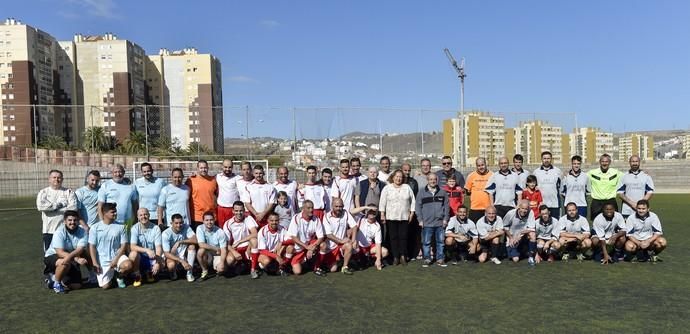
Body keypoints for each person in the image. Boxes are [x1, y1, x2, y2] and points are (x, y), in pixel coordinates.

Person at [88, 203, 134, 289]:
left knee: (128, 265)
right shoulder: (95, 228)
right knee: (105, 286)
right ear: (105, 213)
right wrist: (95, 263)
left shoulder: (121, 226)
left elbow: (123, 245)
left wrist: (115, 260)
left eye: (115, 211)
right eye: (112, 212)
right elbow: (92, 247)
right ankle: (113, 276)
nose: (115, 213)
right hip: (102, 260)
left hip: (117, 256)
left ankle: (120, 277)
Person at [43, 210, 88, 294]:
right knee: (65, 263)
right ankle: (56, 283)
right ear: (64, 221)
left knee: (77, 286)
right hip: (53, 256)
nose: (72, 222)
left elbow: (80, 249)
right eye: (70, 220)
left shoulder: (83, 232)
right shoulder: (59, 232)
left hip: (70, 257)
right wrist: (77, 259)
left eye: (75, 220)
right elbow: (60, 252)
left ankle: (54, 279)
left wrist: (75, 258)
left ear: (78, 221)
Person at [379, 169, 416, 265]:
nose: (398, 178)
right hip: (391, 217)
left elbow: (413, 201)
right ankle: (395, 257)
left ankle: (403, 256)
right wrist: (382, 214)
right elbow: (382, 202)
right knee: (393, 237)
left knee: (403, 237)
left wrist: (412, 213)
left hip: (404, 216)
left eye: (400, 177)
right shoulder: (387, 188)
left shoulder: (407, 187)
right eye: (397, 176)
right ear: (393, 177)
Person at [37, 169, 78, 250]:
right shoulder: (43, 192)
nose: (56, 179)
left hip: (64, 229)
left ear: (62, 179)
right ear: (49, 179)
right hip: (49, 230)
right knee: (49, 256)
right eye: (54, 177)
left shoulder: (68, 192)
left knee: (65, 253)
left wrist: (51, 209)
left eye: (59, 177)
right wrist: (59, 205)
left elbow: (73, 208)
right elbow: (41, 207)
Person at [416, 173, 449, 267]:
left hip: (440, 222)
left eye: (434, 179)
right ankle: (427, 259)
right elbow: (418, 207)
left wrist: (445, 219)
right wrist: (420, 220)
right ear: (427, 180)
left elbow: (446, 206)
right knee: (426, 242)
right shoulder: (422, 192)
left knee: (440, 242)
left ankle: (440, 259)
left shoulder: (442, 192)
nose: (433, 181)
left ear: (437, 180)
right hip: (427, 223)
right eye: (430, 179)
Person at [287, 200, 327, 276]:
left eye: (312, 208)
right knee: (297, 272)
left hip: (309, 245)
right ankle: (288, 264)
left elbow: (321, 237)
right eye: (308, 208)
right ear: (303, 209)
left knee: (323, 245)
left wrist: (313, 247)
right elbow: (293, 237)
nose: (311, 210)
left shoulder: (316, 219)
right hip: (298, 248)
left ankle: (317, 267)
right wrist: (307, 247)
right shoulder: (296, 218)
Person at [222, 201, 260, 279]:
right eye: (236, 211)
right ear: (233, 211)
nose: (239, 213)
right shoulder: (228, 223)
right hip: (236, 248)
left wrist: (240, 241)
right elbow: (226, 243)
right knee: (229, 260)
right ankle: (241, 264)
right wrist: (234, 252)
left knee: (254, 241)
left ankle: (253, 269)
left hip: (248, 246)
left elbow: (255, 233)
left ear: (244, 210)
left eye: (241, 211)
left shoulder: (248, 218)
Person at [322, 198, 358, 274]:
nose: (339, 208)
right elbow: (328, 235)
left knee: (349, 246)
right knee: (333, 269)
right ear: (332, 206)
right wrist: (340, 241)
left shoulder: (346, 213)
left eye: (340, 206)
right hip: (330, 248)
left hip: (342, 245)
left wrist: (353, 240)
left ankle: (344, 267)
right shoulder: (326, 216)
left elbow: (354, 226)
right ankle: (336, 261)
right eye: (336, 206)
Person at [128, 208, 162, 286]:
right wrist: (146, 250)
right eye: (141, 215)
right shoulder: (134, 228)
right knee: (133, 254)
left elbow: (158, 247)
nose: (143, 217)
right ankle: (137, 275)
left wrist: (157, 262)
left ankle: (148, 272)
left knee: (162, 264)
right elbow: (132, 246)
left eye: (145, 214)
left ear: (149, 215)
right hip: (140, 258)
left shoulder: (156, 228)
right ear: (137, 217)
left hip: (152, 257)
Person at [161, 213, 197, 282]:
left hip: (184, 253)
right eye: (176, 223)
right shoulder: (166, 233)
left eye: (180, 223)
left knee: (192, 247)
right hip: (172, 254)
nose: (179, 225)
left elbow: (196, 240)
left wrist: (180, 242)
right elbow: (166, 254)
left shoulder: (186, 227)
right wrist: (181, 261)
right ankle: (173, 272)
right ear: (171, 223)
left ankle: (189, 273)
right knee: (171, 265)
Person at [588, 154, 622, 220]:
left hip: (611, 201)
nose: (604, 163)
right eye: (603, 161)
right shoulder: (592, 173)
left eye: (606, 161)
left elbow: (627, 177)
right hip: (597, 203)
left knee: (614, 223)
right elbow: (582, 178)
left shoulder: (616, 173)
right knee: (595, 223)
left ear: (610, 162)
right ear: (600, 162)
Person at [195, 211, 229, 279]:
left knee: (221, 269)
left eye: (211, 220)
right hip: (209, 253)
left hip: (217, 254)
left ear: (214, 220)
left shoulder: (220, 232)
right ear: (203, 221)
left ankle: (218, 267)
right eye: (207, 220)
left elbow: (223, 250)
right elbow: (201, 244)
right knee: (200, 251)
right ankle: (204, 270)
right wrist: (215, 248)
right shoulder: (200, 228)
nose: (209, 222)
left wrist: (222, 262)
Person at [502, 200, 537, 265]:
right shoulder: (510, 213)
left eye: (526, 209)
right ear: (519, 207)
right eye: (522, 208)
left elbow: (532, 228)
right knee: (516, 259)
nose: (524, 211)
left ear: (528, 208)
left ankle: (531, 257)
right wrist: (511, 237)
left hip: (523, 237)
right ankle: (509, 250)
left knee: (532, 234)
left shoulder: (530, 212)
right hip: (512, 238)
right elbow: (504, 227)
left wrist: (520, 233)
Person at [186, 160, 218, 229]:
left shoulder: (213, 180)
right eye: (201, 168)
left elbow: (216, 195)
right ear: (197, 169)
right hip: (197, 217)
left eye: (205, 168)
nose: (203, 170)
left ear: (208, 168)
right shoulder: (190, 180)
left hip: (211, 216)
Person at [257, 212, 291, 276]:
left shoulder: (282, 229)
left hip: (277, 252)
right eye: (272, 220)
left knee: (290, 247)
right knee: (266, 261)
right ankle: (261, 267)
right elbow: (261, 250)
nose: (274, 222)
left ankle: (283, 267)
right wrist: (276, 256)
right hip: (266, 253)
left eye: (276, 220)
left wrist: (282, 243)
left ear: (279, 221)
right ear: (268, 221)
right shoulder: (262, 231)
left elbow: (291, 239)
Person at [134, 162, 166, 227]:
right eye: (144, 171)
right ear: (142, 172)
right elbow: (135, 200)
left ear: (152, 171)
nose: (147, 173)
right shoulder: (137, 182)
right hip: (143, 216)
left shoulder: (160, 182)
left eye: (148, 171)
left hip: (157, 216)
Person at [355, 206, 387, 270]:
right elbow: (351, 212)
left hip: (369, 248)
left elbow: (378, 243)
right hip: (357, 246)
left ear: (376, 214)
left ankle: (371, 260)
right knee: (351, 248)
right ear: (367, 212)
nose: (371, 214)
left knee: (385, 252)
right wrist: (366, 207)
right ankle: (356, 260)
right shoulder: (361, 217)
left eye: (374, 212)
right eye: (370, 211)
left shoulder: (377, 226)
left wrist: (378, 259)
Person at [533, 151, 562, 219]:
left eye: (548, 158)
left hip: (554, 204)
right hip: (541, 204)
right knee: (541, 225)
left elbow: (561, 187)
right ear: (541, 159)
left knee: (555, 224)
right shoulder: (536, 172)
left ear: (551, 159)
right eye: (544, 158)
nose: (546, 160)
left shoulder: (557, 171)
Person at [464, 158, 493, 223]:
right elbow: (467, 191)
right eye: (479, 166)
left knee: (488, 230)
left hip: (488, 208)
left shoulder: (492, 175)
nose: (481, 167)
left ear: (486, 164)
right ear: (476, 166)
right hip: (475, 208)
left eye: (482, 165)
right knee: (473, 229)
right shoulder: (471, 176)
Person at [216, 159, 241, 228]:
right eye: (225, 167)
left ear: (232, 167)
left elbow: (248, 180)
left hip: (233, 209)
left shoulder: (238, 178)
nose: (227, 169)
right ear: (222, 167)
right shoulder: (217, 177)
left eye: (229, 167)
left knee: (233, 229)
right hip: (221, 209)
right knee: (222, 228)